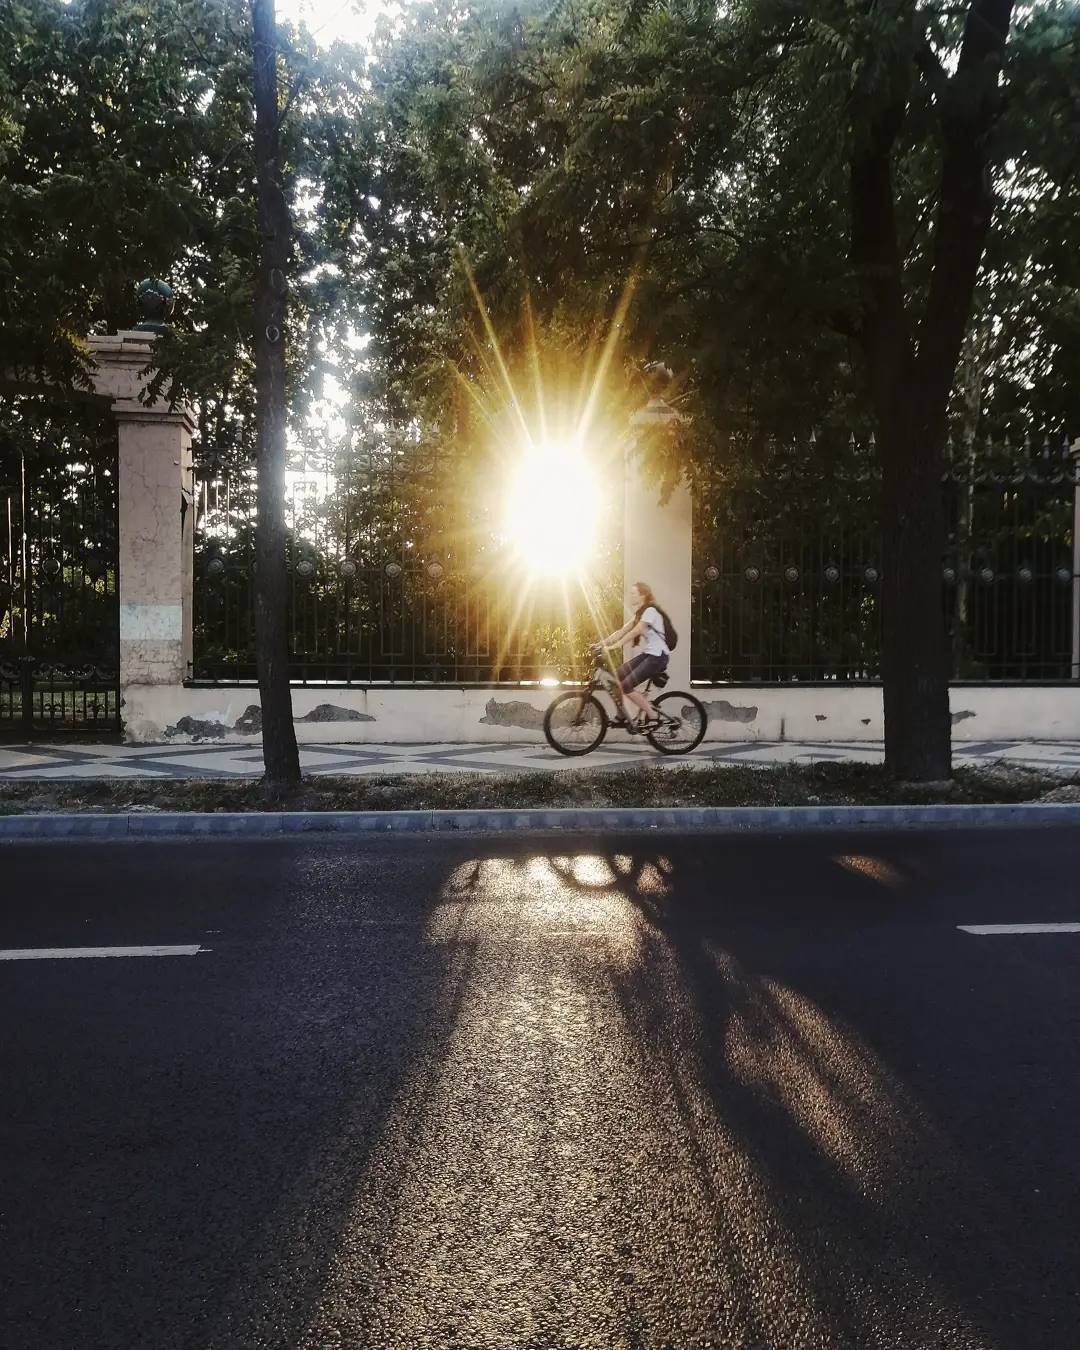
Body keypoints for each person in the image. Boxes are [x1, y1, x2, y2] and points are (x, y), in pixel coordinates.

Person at [591, 581, 670, 728]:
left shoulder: (650, 611)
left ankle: (653, 717)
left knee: (626, 686)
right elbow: (621, 631)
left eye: (633, 593)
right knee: (616, 678)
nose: (631, 596)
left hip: (658, 657)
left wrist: (614, 647)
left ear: (643, 595)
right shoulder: (639, 615)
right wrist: (601, 644)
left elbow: (636, 631)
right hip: (649, 655)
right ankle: (621, 716)